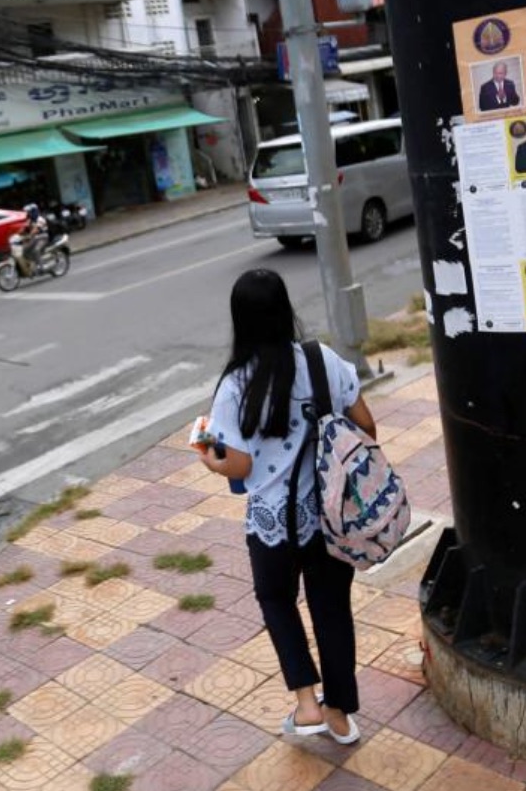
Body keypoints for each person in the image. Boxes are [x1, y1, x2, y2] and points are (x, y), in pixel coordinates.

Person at [196, 269, 373, 744]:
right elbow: (366, 427)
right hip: (331, 515)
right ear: (284, 310)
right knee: (332, 608)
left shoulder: (235, 385)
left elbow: (237, 463)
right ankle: (339, 716)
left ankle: (305, 703)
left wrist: (209, 454)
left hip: (273, 520)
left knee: (276, 600)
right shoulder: (323, 361)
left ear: (241, 321)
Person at [16, 204, 50, 273]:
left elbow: (35, 230)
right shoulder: (30, 220)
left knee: (36, 250)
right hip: (34, 238)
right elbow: (24, 228)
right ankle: (32, 264)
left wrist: (28, 236)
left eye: (29, 212)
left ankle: (41, 266)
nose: (28, 214)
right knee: (24, 250)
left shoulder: (40, 219)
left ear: (34, 211)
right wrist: (17, 234)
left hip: (43, 237)